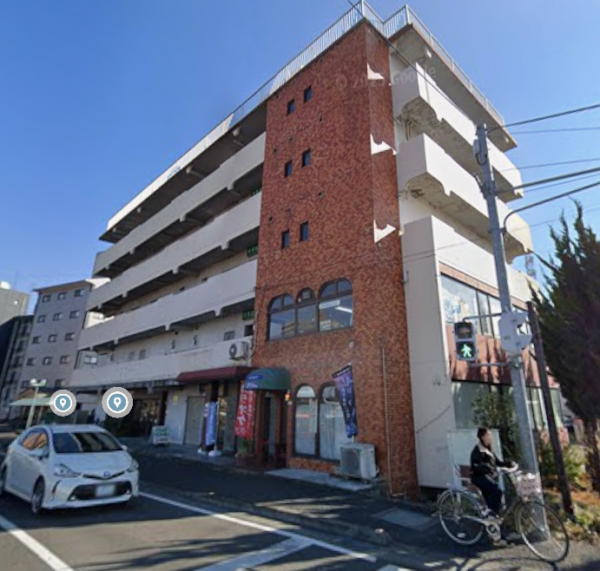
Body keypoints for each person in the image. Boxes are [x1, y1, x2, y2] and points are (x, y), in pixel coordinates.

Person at [470, 427, 514, 517]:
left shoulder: (488, 449)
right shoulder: (478, 450)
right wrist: (487, 467)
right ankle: (491, 513)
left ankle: (493, 513)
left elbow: (497, 462)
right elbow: (476, 465)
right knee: (497, 490)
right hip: (478, 477)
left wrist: (508, 464)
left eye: (490, 435)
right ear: (482, 437)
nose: (490, 437)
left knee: (495, 492)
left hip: (487, 476)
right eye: (488, 435)